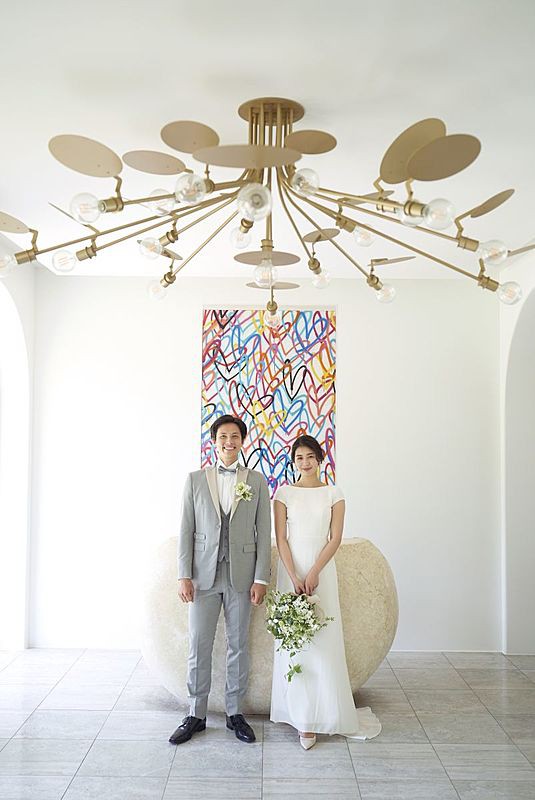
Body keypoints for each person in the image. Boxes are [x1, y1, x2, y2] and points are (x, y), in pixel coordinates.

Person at [270, 434, 381, 749]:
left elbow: (335, 538)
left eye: (310, 457)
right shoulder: (283, 493)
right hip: (291, 571)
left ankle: (326, 714)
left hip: (322, 572)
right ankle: (301, 718)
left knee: (322, 640)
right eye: (299, 458)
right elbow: (281, 538)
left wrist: (315, 571)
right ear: (294, 462)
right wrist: (294, 575)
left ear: (320, 459)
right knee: (295, 642)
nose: (304, 463)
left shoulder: (334, 493)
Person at [169, 414, 271, 745]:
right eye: (223, 436)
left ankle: (234, 713)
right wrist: (184, 574)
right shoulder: (195, 480)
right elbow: (186, 530)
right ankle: (195, 714)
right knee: (199, 643)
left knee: (238, 645)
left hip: (242, 575)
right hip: (202, 576)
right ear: (214, 441)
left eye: (235, 436)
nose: (229, 442)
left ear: (242, 441)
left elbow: (263, 532)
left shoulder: (256, 481)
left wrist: (261, 578)